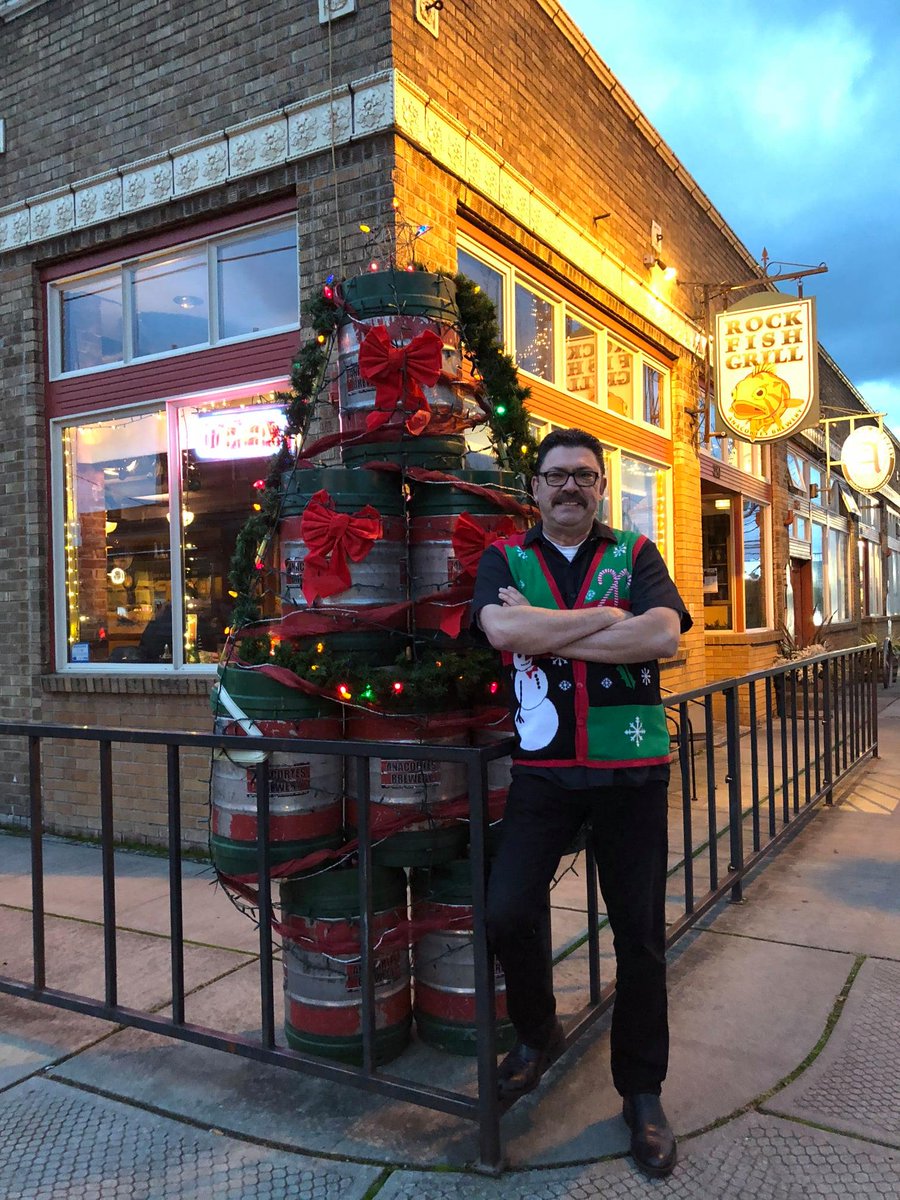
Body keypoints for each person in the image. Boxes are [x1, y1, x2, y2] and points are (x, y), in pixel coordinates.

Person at [472, 427, 692, 1179]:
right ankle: (539, 1033)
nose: (571, 486)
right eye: (557, 474)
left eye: (585, 475)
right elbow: (500, 628)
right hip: (545, 773)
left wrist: (547, 633)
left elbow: (662, 637)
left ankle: (642, 1092)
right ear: (535, 487)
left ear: (601, 486)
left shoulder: (635, 553)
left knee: (639, 937)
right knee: (507, 911)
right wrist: (607, 619)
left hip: (632, 770)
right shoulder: (506, 558)